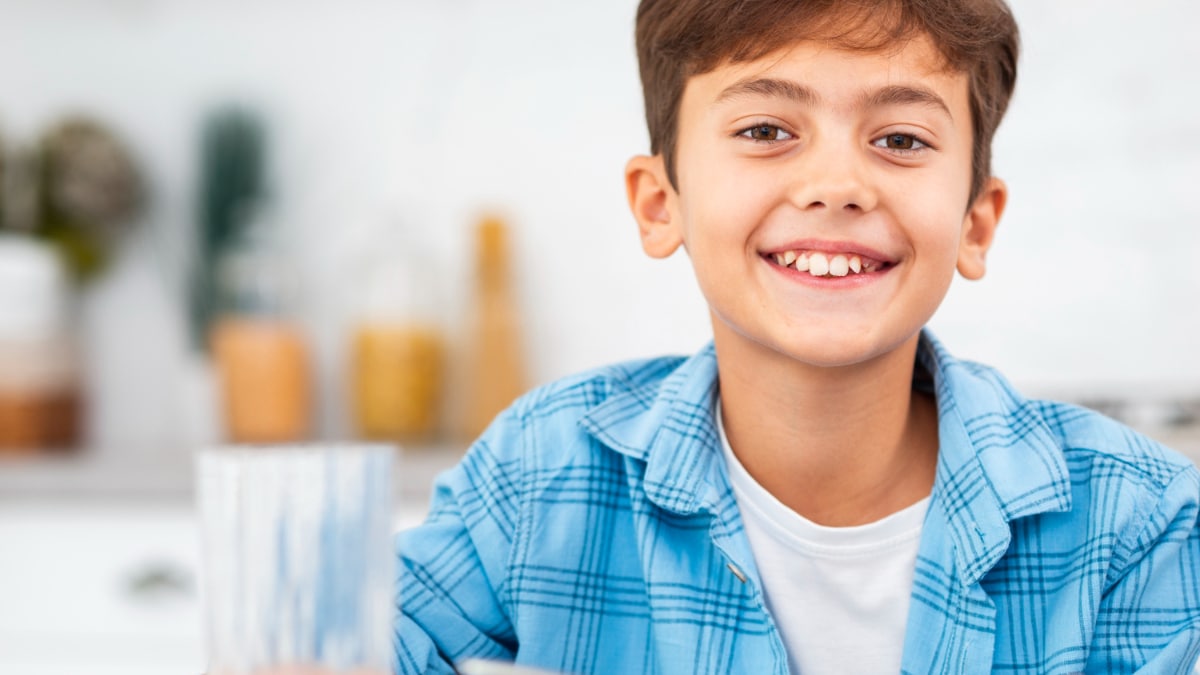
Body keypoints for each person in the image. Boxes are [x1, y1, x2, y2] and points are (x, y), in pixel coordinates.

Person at [394, 1, 1200, 673]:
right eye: (765, 130)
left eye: (901, 140)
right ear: (658, 203)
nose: (837, 186)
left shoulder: (1138, 527)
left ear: (975, 223)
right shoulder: (536, 478)